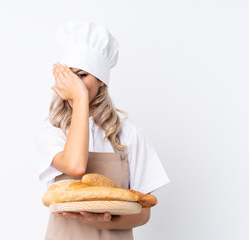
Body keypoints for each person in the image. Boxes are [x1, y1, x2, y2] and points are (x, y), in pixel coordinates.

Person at [35, 20, 170, 240]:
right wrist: (80, 99)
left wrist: (108, 221)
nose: (75, 84)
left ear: (101, 81)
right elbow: (75, 166)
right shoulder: (51, 132)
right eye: (68, 77)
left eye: (81, 75)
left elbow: (144, 212)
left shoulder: (129, 136)